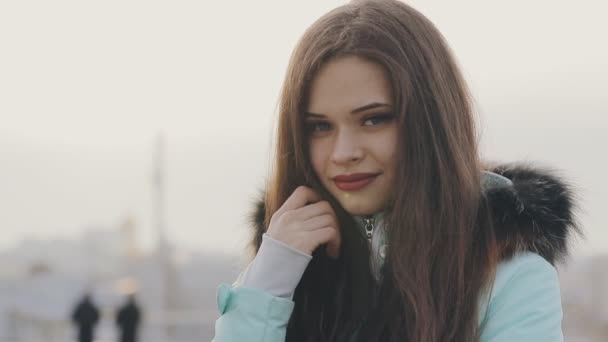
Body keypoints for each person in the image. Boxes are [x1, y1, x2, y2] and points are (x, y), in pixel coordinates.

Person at [213, 1, 580, 341]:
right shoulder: (285, 264)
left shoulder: (509, 274)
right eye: (319, 127)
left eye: (374, 119)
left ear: (430, 122)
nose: (343, 153)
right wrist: (267, 281)